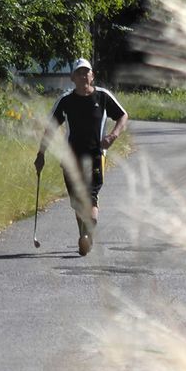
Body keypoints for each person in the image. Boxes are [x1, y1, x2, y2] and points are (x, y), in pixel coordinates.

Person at [34, 58, 129, 256]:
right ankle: (84, 236)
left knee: (91, 199)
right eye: (79, 72)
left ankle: (88, 230)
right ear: (72, 78)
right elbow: (51, 127)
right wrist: (41, 153)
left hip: (96, 155)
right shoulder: (65, 101)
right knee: (77, 201)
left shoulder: (102, 96)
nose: (83, 75)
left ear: (92, 75)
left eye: (86, 72)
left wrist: (113, 135)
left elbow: (123, 115)